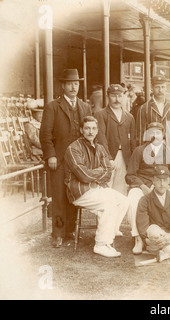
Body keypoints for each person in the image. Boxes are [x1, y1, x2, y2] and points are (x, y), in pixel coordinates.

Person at [39, 69, 92, 248]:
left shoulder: (85, 107)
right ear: (63, 86)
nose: (73, 87)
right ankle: (58, 233)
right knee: (59, 197)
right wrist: (51, 155)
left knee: (74, 195)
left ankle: (70, 230)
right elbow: (45, 134)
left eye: (76, 83)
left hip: (78, 161)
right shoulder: (53, 106)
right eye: (70, 83)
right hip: (59, 160)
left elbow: (90, 131)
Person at [63, 116, 129, 258]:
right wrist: (100, 171)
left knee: (124, 200)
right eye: (87, 128)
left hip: (96, 188)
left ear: (97, 130)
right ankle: (100, 244)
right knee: (109, 203)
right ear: (81, 130)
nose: (90, 132)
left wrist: (98, 174)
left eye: (93, 128)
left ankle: (109, 236)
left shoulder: (100, 148)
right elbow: (83, 175)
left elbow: (109, 171)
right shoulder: (73, 148)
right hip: (79, 192)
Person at [126, 122, 170, 255]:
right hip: (143, 186)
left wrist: (166, 186)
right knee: (133, 198)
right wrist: (142, 186)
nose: (155, 136)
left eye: (158, 132)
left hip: (163, 186)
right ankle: (138, 238)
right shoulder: (139, 151)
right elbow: (130, 175)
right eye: (151, 132)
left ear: (163, 135)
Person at [95, 84, 136, 196]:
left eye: (119, 96)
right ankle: (105, 213)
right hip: (108, 157)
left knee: (120, 189)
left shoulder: (129, 117)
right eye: (113, 96)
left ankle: (118, 213)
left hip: (124, 157)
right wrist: (107, 158)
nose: (117, 99)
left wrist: (132, 160)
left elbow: (132, 140)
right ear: (108, 96)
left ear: (123, 97)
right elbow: (101, 138)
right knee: (106, 188)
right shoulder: (101, 114)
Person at [136, 75, 170, 149]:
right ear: (152, 88)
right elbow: (140, 135)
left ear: (166, 88)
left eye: (163, 87)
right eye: (157, 87)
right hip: (152, 151)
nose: (160, 90)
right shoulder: (144, 109)